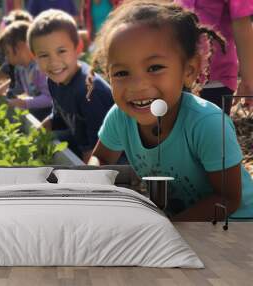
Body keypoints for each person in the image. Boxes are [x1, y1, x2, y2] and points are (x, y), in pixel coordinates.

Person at [88, 0, 253, 221]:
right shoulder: (120, 118)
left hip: (236, 229)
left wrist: (169, 228)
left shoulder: (208, 124)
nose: (137, 86)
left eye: (154, 68)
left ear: (189, 70)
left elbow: (228, 199)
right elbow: (100, 158)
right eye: (121, 73)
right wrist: (96, 183)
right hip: (180, 228)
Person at [27, 9, 114, 163]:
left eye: (61, 51)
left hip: (115, 154)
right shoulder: (53, 80)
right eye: (44, 55)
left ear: (78, 48)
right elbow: (60, 115)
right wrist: (41, 128)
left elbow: (100, 147)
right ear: (35, 58)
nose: (54, 62)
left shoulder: (89, 90)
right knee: (46, 140)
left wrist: (85, 176)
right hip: (80, 138)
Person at [175, 0, 253, 113]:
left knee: (211, 126)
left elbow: (241, 25)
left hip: (215, 80)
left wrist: (248, 80)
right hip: (179, 75)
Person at [0, 21, 53, 121]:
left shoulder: (40, 69)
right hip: (38, 108)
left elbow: (50, 99)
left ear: (21, 47)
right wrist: (2, 93)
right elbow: (19, 87)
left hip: (52, 113)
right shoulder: (21, 68)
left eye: (8, 52)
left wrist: (24, 103)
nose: (6, 58)